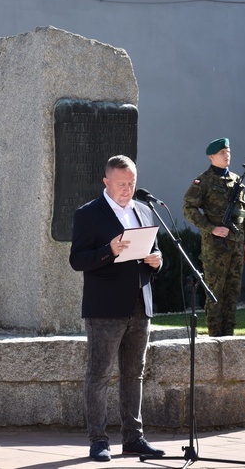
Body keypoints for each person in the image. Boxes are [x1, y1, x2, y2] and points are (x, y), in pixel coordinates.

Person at [69, 155, 165, 462]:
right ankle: (98, 439)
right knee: (98, 375)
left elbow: (153, 250)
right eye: (121, 184)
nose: (127, 190)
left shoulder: (146, 210)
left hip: (140, 304)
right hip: (105, 307)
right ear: (106, 182)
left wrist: (157, 260)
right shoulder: (88, 214)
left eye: (132, 183)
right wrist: (108, 250)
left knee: (133, 374)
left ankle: (133, 438)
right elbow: (78, 260)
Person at [182, 138, 245, 337]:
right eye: (222, 152)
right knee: (215, 293)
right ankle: (215, 336)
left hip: (236, 246)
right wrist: (210, 228)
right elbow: (188, 208)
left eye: (228, 151)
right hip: (215, 247)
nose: (226, 155)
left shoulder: (237, 181)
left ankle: (228, 335)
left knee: (232, 292)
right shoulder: (203, 181)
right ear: (211, 156)